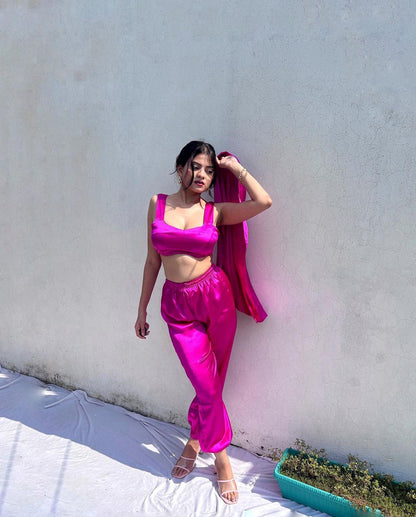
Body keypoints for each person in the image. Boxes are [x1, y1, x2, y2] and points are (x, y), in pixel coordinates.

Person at [135, 141, 272, 505]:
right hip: (177, 306)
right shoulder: (157, 204)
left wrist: (236, 170)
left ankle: (195, 439)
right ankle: (221, 457)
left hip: (216, 298)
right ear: (180, 167)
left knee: (214, 381)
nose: (202, 175)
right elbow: (152, 261)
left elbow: (263, 202)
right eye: (196, 167)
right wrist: (142, 309)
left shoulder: (215, 212)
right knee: (206, 386)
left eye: (209, 171)